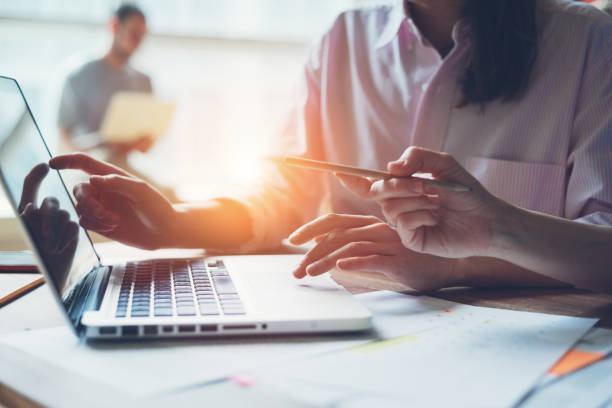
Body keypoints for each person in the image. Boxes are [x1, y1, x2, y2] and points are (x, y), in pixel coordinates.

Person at [50, 0, 612, 293]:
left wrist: (461, 260)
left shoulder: (587, 43)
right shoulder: (344, 39)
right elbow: (281, 200)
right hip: (350, 339)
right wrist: (179, 224)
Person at [57, 4, 158, 183]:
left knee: (168, 198)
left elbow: (147, 144)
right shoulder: (77, 75)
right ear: (114, 26)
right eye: (133, 34)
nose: (138, 43)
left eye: (142, 37)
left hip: (124, 169)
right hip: (84, 171)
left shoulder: (143, 81)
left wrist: (143, 142)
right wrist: (102, 143)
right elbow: (63, 142)